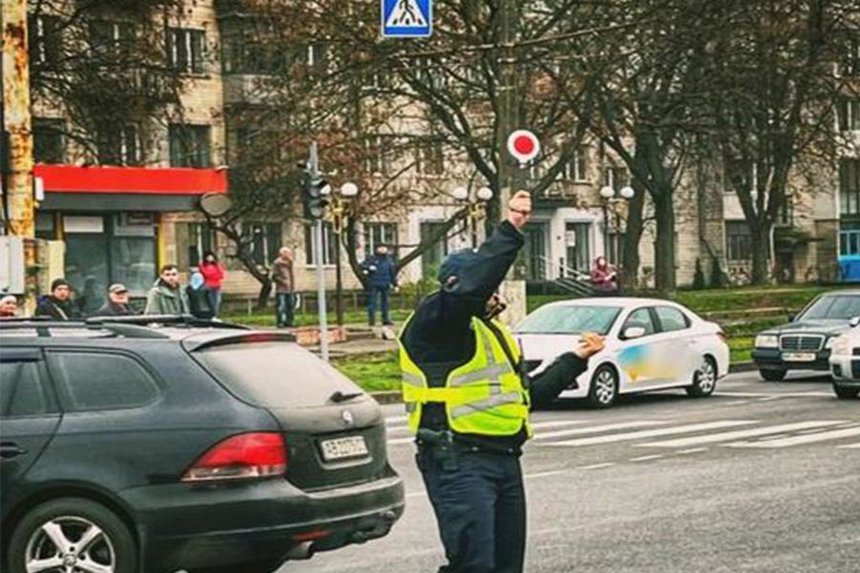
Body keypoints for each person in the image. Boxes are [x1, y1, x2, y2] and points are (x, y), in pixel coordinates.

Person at [398, 190, 605, 573]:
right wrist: (510, 228)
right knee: (474, 566)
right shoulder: (436, 324)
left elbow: (529, 396)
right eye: (488, 288)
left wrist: (575, 360)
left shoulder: (492, 334)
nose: (495, 296)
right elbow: (471, 289)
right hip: (458, 461)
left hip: (504, 460)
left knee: (506, 566)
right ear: (458, 285)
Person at [361, 244, 398, 326]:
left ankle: (386, 319)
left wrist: (395, 284)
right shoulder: (371, 259)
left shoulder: (389, 260)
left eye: (384, 248)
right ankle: (372, 320)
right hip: (374, 283)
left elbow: (392, 273)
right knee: (372, 302)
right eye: (381, 248)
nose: (383, 249)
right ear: (377, 249)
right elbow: (363, 266)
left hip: (385, 283)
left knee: (385, 303)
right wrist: (368, 268)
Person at [271, 247, 296, 328]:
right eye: (287, 253)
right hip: (281, 289)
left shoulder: (290, 262)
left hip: (290, 288)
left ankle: (289, 321)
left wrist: (292, 285)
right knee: (281, 306)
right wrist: (283, 282)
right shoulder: (277, 263)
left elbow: (292, 275)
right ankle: (280, 322)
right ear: (283, 254)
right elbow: (274, 276)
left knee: (290, 305)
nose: (289, 255)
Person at [199, 251, 225, 317]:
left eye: (211, 256)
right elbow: (205, 274)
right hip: (208, 286)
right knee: (209, 302)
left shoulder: (217, 265)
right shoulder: (203, 266)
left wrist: (212, 275)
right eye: (208, 256)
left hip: (217, 286)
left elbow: (221, 275)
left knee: (217, 302)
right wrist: (214, 275)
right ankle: (209, 315)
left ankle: (215, 315)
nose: (210, 258)